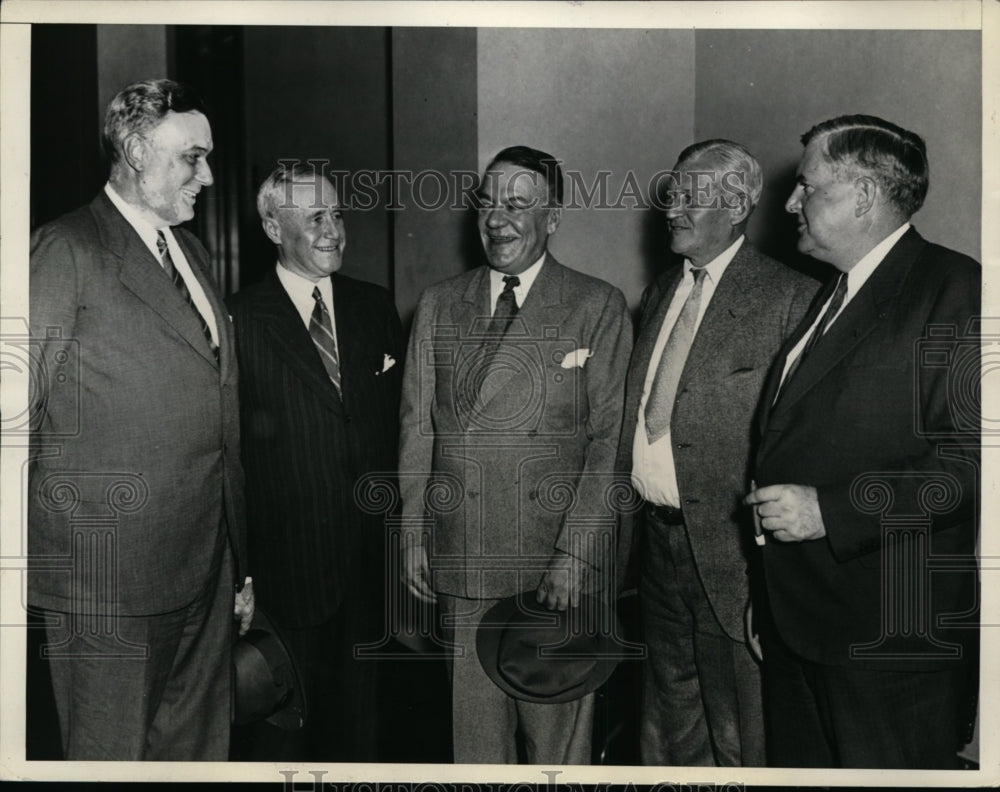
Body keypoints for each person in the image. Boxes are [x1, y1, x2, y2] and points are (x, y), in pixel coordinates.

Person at [745, 115, 980, 768]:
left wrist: (831, 511)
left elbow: (972, 463)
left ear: (864, 196)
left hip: (886, 638)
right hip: (802, 623)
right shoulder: (835, 293)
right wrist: (768, 599)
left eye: (808, 186)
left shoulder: (956, 289)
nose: (790, 202)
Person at [28, 79, 253, 761]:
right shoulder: (66, 248)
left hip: (205, 566)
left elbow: (216, 409)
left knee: (195, 759)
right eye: (192, 158)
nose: (207, 177)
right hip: (107, 580)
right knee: (110, 758)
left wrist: (238, 564)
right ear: (134, 152)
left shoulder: (194, 254)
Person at [398, 145, 632, 763]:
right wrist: (412, 535)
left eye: (518, 204)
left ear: (552, 218)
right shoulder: (438, 303)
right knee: (475, 751)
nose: (497, 219)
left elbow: (609, 447)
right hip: (463, 557)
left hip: (553, 567)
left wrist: (574, 556)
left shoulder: (596, 305)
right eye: (488, 204)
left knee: (557, 754)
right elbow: (417, 429)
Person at [616, 140, 817, 766]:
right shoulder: (659, 293)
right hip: (656, 549)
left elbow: (799, 448)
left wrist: (770, 580)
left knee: (741, 739)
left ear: (736, 207)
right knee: (668, 731)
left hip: (734, 560)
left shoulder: (791, 297)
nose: (672, 207)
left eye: (690, 195)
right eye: (671, 193)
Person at [227, 163, 404, 761]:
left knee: (362, 742)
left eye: (337, 214)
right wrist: (239, 575)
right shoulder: (238, 320)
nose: (332, 230)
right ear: (273, 228)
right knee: (280, 744)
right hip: (285, 580)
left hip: (370, 576)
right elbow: (227, 459)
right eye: (314, 218)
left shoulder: (374, 306)